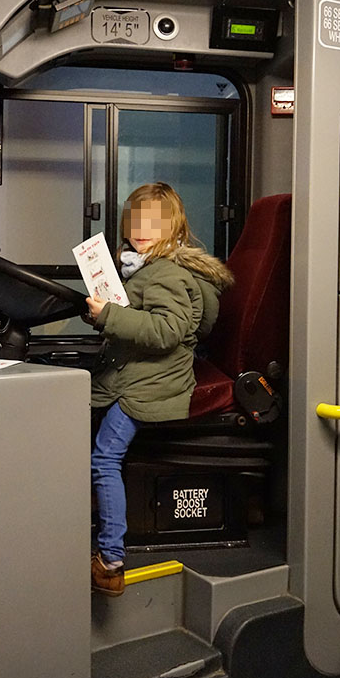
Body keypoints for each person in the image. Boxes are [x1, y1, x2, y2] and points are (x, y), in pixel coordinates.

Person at [86, 182, 234, 596]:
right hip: (143, 373)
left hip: (152, 383)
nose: (142, 228)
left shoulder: (165, 273)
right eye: (135, 219)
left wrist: (109, 317)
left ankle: (110, 561)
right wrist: (107, 314)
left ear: (175, 228)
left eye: (154, 221)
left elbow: (167, 332)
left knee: (104, 457)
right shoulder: (144, 268)